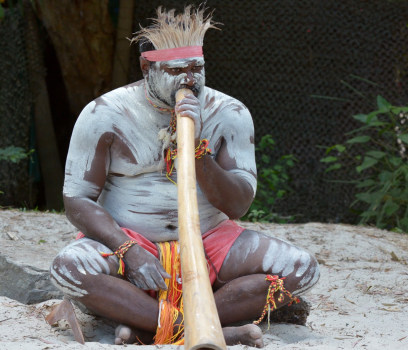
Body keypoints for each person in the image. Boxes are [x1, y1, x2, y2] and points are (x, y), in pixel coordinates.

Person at [49, 5, 319, 347]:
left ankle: (153, 325)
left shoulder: (229, 113)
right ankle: (202, 328)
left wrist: (197, 150)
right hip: (128, 238)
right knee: (67, 269)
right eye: (176, 70)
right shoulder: (105, 113)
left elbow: (237, 205)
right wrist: (128, 250)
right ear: (147, 68)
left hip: (211, 238)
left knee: (302, 269)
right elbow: (76, 200)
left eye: (197, 68)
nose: (189, 80)